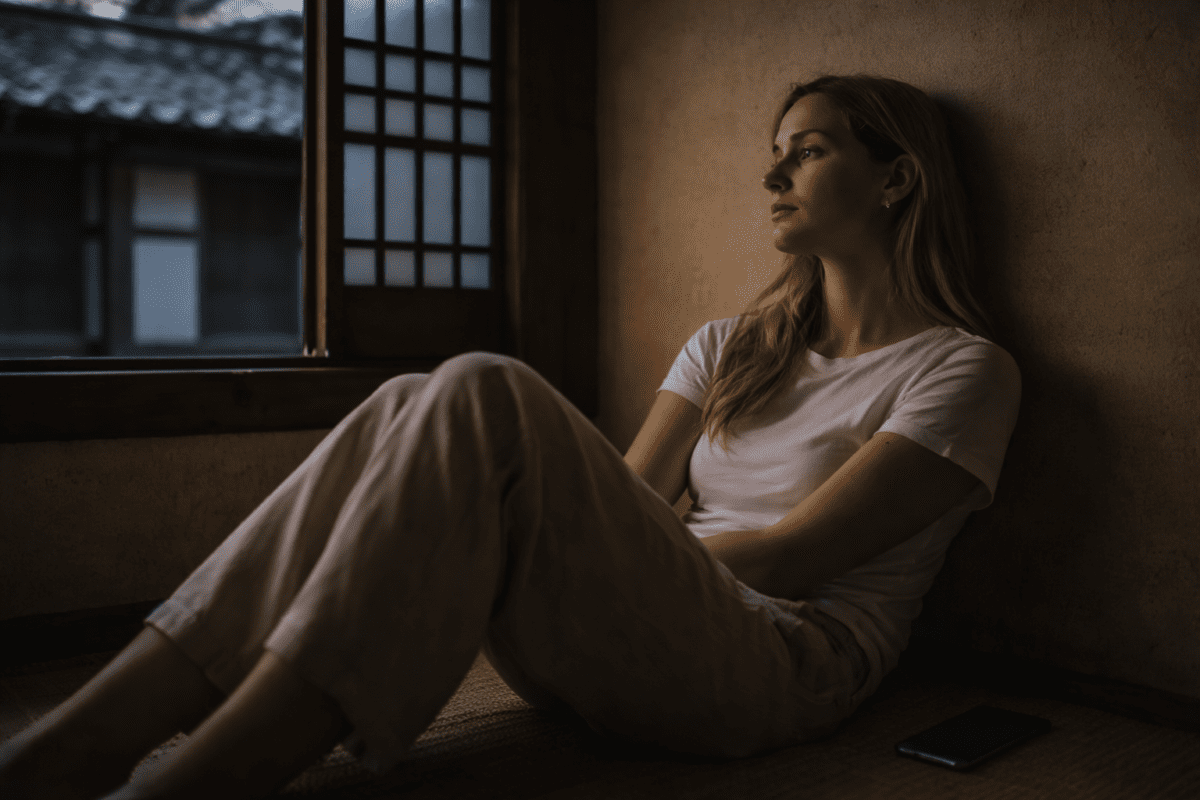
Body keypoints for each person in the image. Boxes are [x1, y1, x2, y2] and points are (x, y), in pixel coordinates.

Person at [0, 74, 1020, 800]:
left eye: (810, 149)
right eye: (776, 154)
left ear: (896, 179)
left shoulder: (963, 368)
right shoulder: (731, 345)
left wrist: (554, 540)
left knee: (485, 387)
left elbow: (799, 556)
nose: (774, 177)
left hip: (783, 665)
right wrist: (547, 538)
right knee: (414, 395)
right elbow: (623, 497)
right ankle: (82, 740)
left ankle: (198, 774)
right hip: (639, 632)